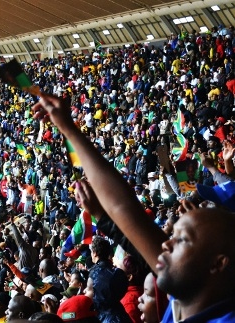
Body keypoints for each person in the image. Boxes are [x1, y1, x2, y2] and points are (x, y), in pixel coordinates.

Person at [32, 92, 235, 322]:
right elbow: (123, 208)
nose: (166, 242)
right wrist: (67, 128)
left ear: (218, 263)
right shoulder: (184, 299)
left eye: (183, 240)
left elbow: (126, 210)